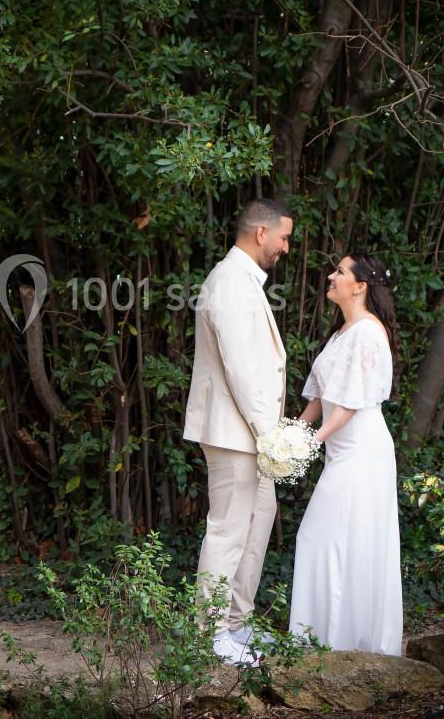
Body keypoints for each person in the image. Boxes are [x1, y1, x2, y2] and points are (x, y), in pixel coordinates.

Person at [183, 197, 293, 665]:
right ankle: (208, 635)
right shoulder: (229, 281)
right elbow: (241, 368)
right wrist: (270, 433)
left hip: (251, 432)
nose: (286, 247)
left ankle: (236, 623)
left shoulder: (245, 280)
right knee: (229, 530)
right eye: (284, 237)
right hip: (235, 431)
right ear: (261, 233)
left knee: (258, 523)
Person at [289, 254, 402, 655]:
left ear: (360, 286)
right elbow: (321, 398)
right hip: (341, 450)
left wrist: (312, 441)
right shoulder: (342, 332)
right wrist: (292, 434)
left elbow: (351, 403)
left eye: (340, 271)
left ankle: (341, 644)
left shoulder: (368, 333)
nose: (331, 276)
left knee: (327, 538)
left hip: (362, 451)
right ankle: (320, 641)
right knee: (330, 540)